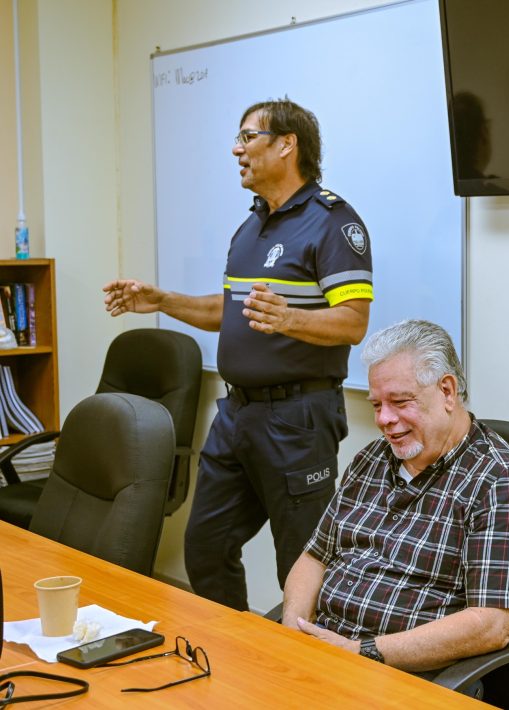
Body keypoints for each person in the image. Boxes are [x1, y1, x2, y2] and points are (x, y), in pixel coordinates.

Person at [103, 98, 373, 611]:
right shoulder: (251, 226)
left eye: (248, 137)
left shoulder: (333, 222)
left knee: (300, 569)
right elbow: (228, 311)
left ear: (287, 145)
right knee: (205, 547)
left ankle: (300, 664)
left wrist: (290, 319)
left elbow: (354, 322)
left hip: (297, 420)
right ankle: (232, 653)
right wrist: (162, 300)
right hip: (237, 416)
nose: (237, 149)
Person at [282, 319, 509, 674]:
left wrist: (360, 651)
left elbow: (491, 625)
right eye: (376, 405)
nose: (384, 419)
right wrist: (292, 632)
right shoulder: (371, 459)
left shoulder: (503, 482)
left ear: (447, 391)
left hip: (400, 674)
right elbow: (315, 557)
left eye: (399, 402)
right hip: (323, 654)